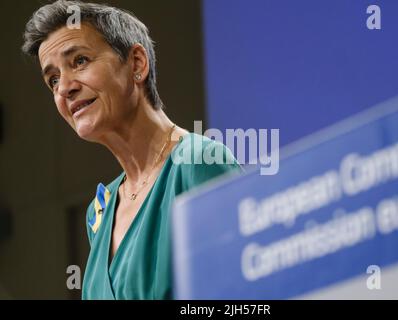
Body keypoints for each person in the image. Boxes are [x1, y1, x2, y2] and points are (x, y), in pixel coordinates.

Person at [22, 0, 242, 299]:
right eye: (53, 79)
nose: (64, 88)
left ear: (136, 63)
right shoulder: (100, 211)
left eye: (80, 61)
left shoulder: (198, 163)